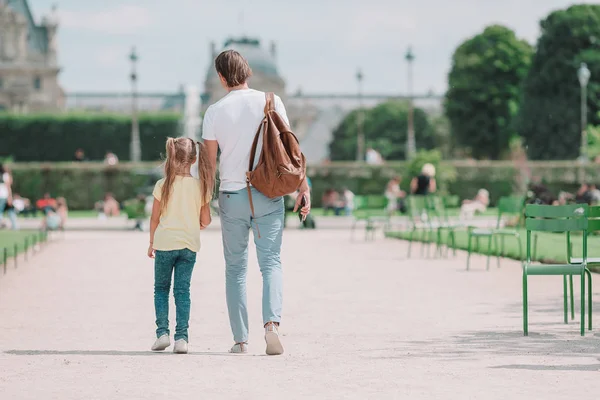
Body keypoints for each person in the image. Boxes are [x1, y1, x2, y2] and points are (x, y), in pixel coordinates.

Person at [202, 49, 310, 355]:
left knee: (235, 269)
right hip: (268, 192)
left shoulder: (214, 112)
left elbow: (209, 166)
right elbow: (291, 149)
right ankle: (272, 325)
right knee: (271, 263)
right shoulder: (272, 101)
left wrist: (203, 205)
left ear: (221, 78)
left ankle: (240, 339)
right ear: (248, 72)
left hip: (232, 196)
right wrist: (303, 186)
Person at [147, 137, 214, 355]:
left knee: (161, 289)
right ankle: (182, 338)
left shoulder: (162, 185)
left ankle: (162, 333)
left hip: (165, 244)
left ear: (171, 157)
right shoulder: (200, 186)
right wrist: (199, 223)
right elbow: (206, 219)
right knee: (182, 291)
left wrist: (151, 243)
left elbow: (155, 219)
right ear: (194, 160)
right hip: (188, 246)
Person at [0, 164, 16, 229]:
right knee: (9, 211)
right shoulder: (5, 175)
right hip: (4, 196)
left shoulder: (4, 175)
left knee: (9, 210)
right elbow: (8, 186)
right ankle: (14, 226)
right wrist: (10, 197)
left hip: (3, 196)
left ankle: (3, 223)